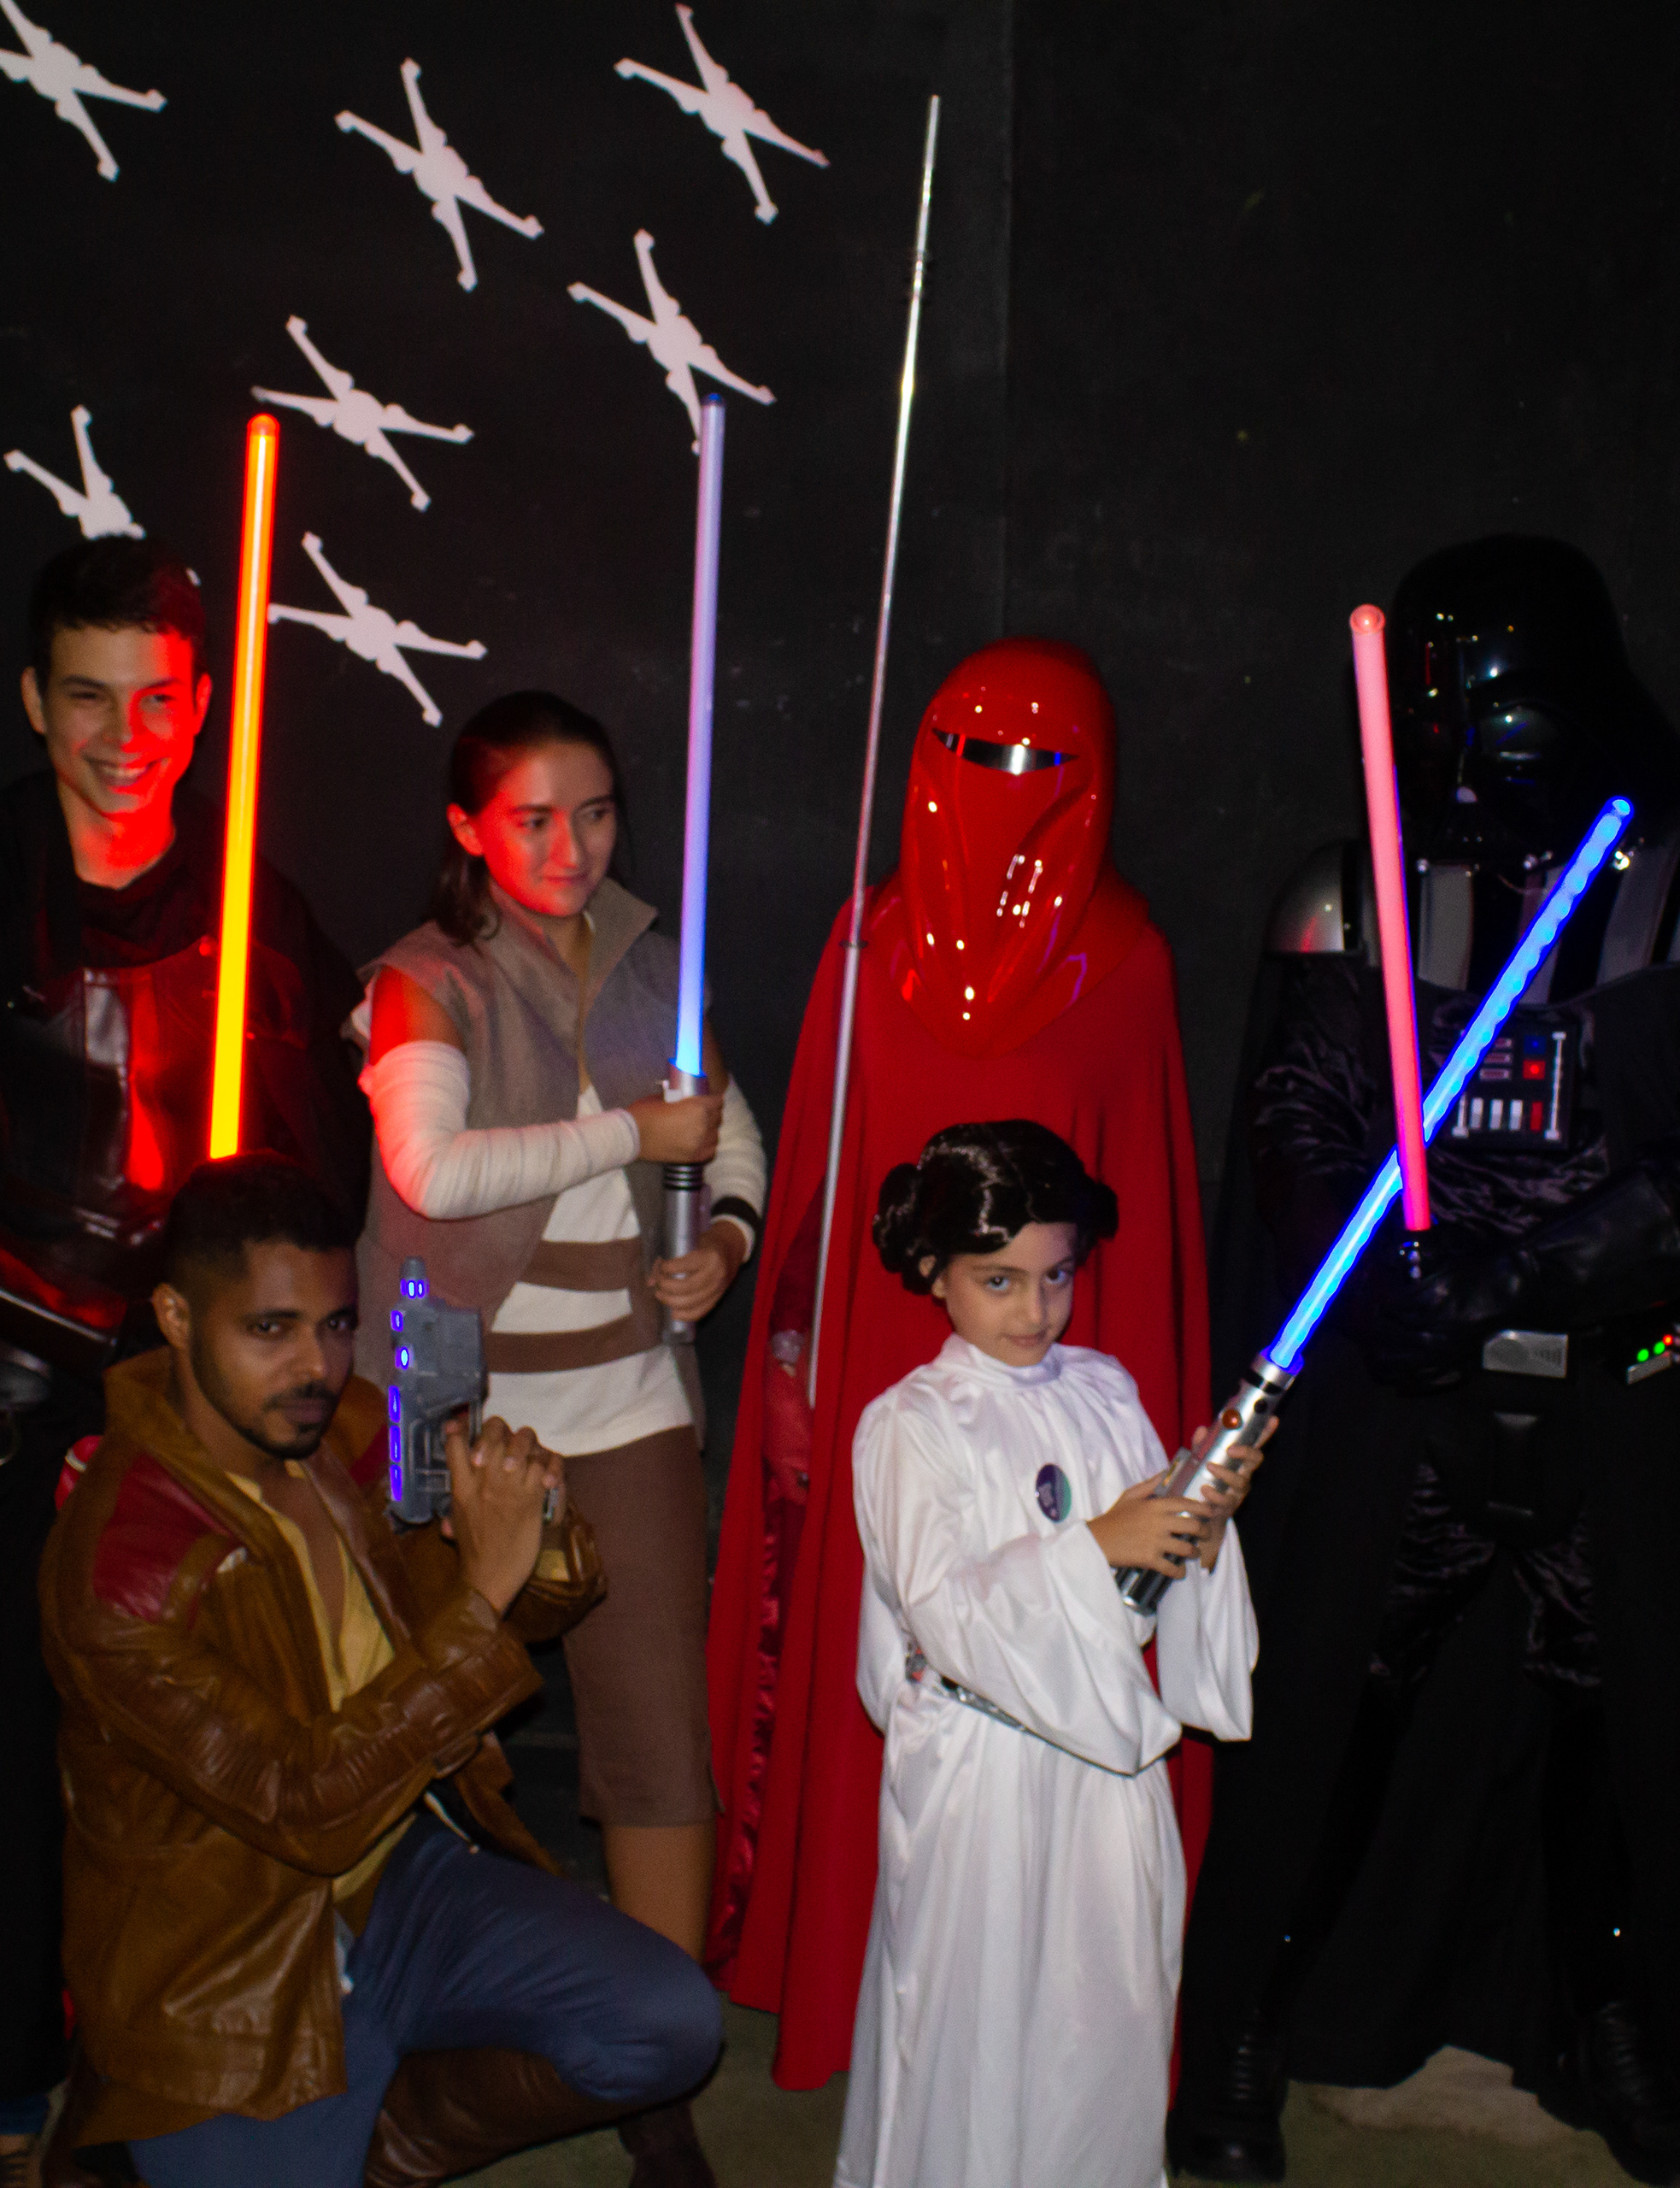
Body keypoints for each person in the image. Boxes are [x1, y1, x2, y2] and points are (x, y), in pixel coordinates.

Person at [1167, 536, 1680, 2188]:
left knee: (1620, 1732)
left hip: (1627, 1391)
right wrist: (1376, 1278)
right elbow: (1298, 1114)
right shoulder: (1362, 895)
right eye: (1434, 734)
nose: (1462, 779)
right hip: (1405, 1405)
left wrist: (1520, 1271)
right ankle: (1247, 2031)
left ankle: (1622, 2029)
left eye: (1495, 729)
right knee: (1325, 1722)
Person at [0, 539, 374, 2182]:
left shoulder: (259, 911)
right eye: (86, 698)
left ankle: (191, 2070)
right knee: (2, 1725)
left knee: (225, 1733)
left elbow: (320, 1184)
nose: (123, 738)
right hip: (6, 1405)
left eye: (154, 701)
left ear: (201, 709)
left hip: (197, 1411)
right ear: (30, 701)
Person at [707, 638, 1213, 2091]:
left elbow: (1141, 1230)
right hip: (893, 1394)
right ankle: (850, 1999)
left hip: (1062, 1395)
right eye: (972, 757)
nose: (1003, 792)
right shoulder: (867, 946)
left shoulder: (1127, 963)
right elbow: (819, 1196)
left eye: (1040, 764)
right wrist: (798, 1380)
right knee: (889, 1666)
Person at [39, 1153, 725, 2188]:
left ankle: (364, 2146)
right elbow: (306, 1806)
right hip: (226, 1967)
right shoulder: (122, 1569)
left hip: (397, 1880)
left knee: (669, 2021)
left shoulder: (346, 1432)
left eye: (336, 1324)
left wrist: (532, 1528)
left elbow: (517, 1606)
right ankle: (143, 2121)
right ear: (176, 1318)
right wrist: (484, 1594)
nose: (315, 1365)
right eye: (270, 1329)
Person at [354, 690, 763, 2180]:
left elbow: (733, 1134)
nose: (571, 845)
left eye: (593, 812)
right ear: (468, 828)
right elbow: (428, 1168)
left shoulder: (657, 962)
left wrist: (724, 1236)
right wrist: (630, 1138)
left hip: (632, 1394)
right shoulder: (424, 979)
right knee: (418, 1730)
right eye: (532, 817)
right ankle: (371, 2023)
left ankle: (658, 2075)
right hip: (461, 1413)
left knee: (659, 1742)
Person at [834, 1123, 1265, 2188]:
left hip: (1104, 1775)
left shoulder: (1104, 1388)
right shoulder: (908, 1425)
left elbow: (1144, 1598)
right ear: (933, 1272)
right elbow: (946, 1611)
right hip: (982, 1780)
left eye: (1058, 1276)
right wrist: (1097, 1544)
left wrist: (1197, 1526)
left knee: (1101, 2026)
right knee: (971, 2034)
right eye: (1001, 1280)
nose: (1035, 1311)